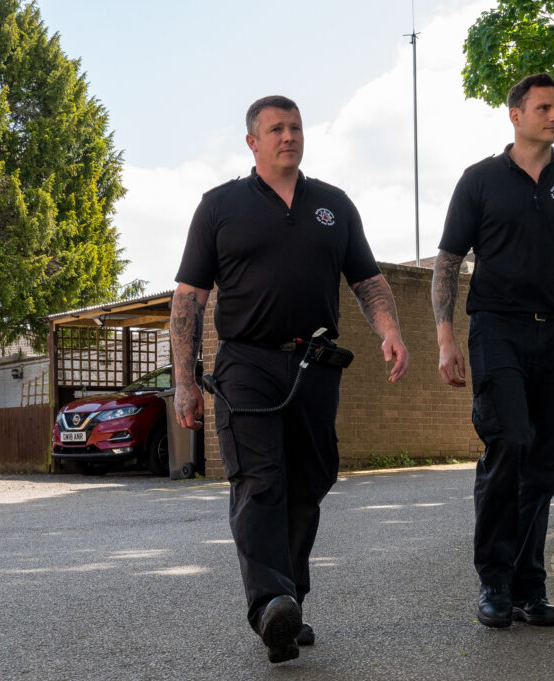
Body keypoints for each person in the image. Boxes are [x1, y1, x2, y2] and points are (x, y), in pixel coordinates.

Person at [170, 95, 409, 664]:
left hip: (314, 364)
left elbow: (368, 279)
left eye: (296, 127)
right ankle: (269, 602)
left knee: (309, 482)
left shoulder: (333, 205)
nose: (289, 136)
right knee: (260, 482)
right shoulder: (219, 207)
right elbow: (189, 300)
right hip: (246, 364)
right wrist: (184, 381)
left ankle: (289, 603)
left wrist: (390, 330)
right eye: (276, 129)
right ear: (252, 141)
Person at [431, 73, 554, 629]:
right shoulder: (480, 180)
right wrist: (445, 337)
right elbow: (446, 263)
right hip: (497, 329)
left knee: (546, 459)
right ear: (515, 114)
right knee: (509, 442)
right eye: (544, 108)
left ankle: (528, 585)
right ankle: (495, 580)